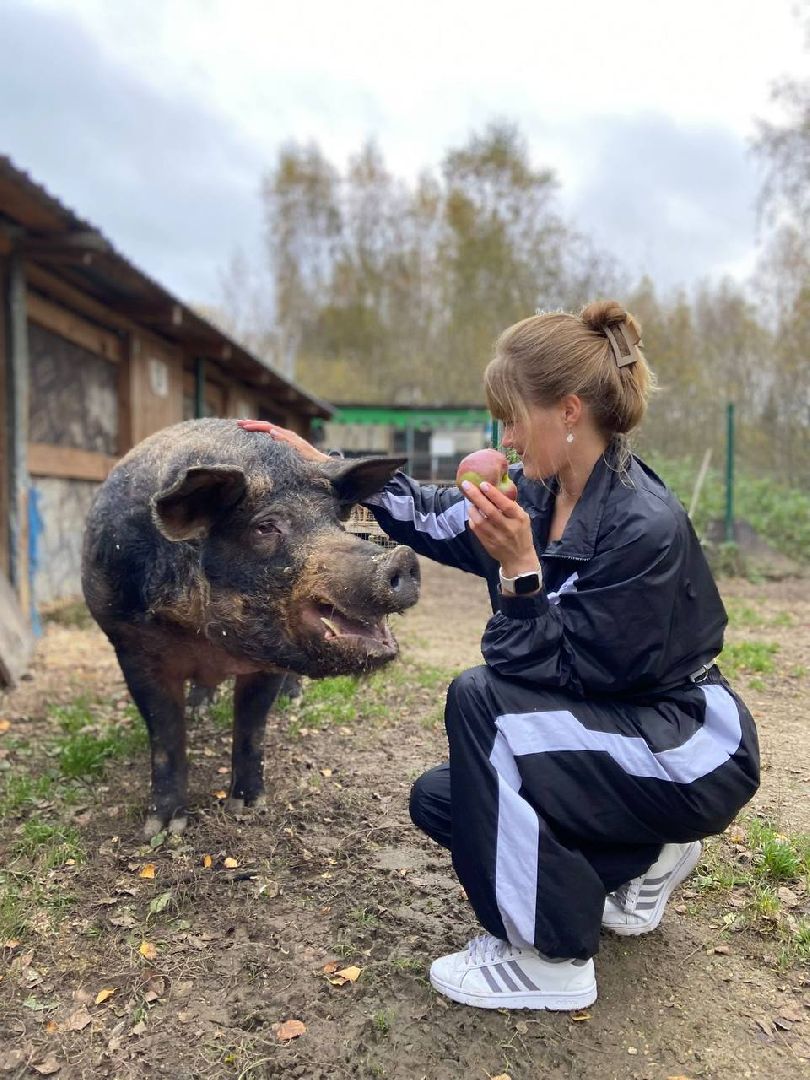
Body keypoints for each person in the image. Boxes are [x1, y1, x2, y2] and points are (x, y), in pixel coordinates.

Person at [237, 299, 759, 1013]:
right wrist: (326, 468)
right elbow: (430, 513)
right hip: (619, 736)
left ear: (569, 410)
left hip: (687, 746)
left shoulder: (644, 527)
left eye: (512, 418)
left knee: (484, 704)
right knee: (446, 801)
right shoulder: (539, 497)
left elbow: (560, 674)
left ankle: (550, 956)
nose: (505, 439)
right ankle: (645, 858)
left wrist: (518, 570)